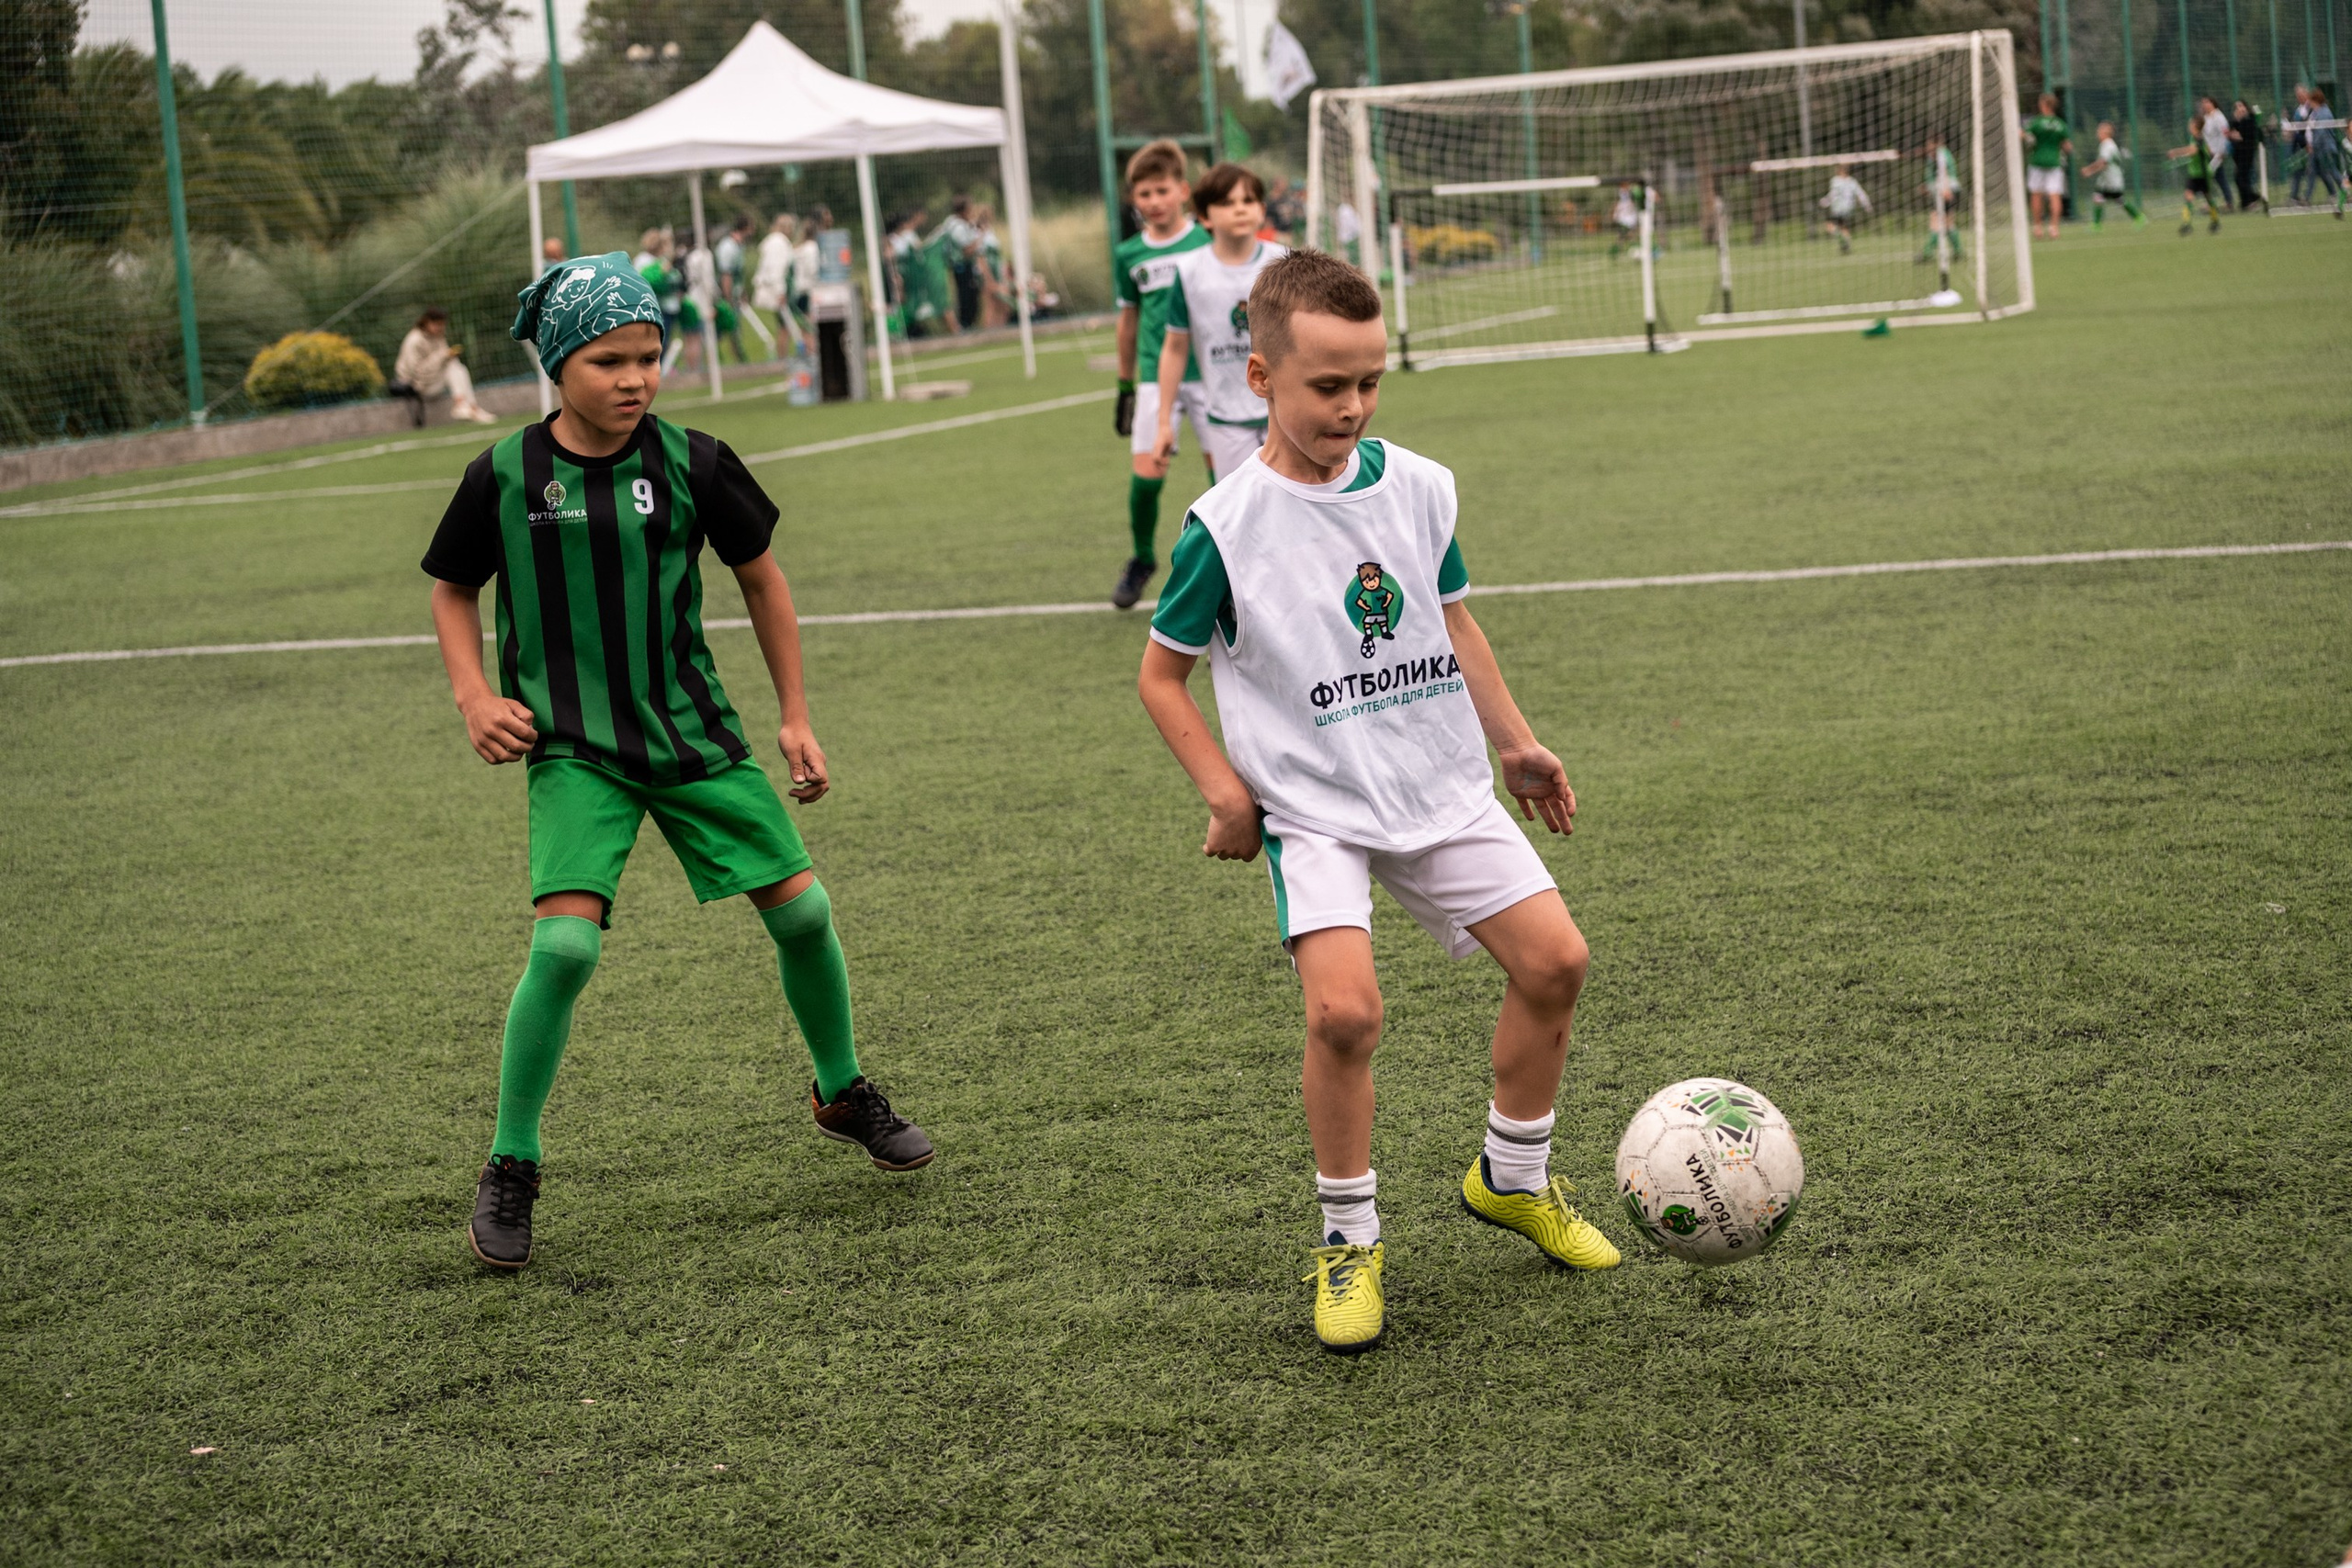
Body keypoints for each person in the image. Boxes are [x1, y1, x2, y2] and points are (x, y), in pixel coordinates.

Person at [1136, 248, 1613, 1355]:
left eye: (1369, 382)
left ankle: (1514, 1176)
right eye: (1326, 386)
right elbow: (1161, 675)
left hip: (1435, 777)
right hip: (1313, 805)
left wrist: (1519, 745)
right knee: (1345, 1013)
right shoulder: (1225, 526)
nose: (1350, 408)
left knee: (1557, 963)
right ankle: (1349, 1241)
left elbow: (1450, 621)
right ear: (1259, 379)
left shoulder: (1421, 486)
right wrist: (1223, 792)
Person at [421, 253, 934, 1272]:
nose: (634, 378)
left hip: (692, 734)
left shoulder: (697, 461)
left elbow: (764, 584)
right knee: (563, 951)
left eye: (649, 357)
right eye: (609, 359)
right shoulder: (506, 473)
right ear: (558, 364)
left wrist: (794, 716)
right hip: (574, 747)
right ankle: (510, 1163)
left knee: (804, 912)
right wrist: (475, 697)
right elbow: (450, 587)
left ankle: (841, 1090)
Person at [1108, 139, 1213, 612]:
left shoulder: (1207, 242)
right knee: (1147, 473)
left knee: (1227, 477)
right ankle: (1143, 558)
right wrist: (1125, 385)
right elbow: (1128, 322)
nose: (1153, 201)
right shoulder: (1129, 254)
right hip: (1156, 375)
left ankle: (1232, 566)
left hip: (1212, 374)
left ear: (1183, 191)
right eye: (1144, 194)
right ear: (1134, 199)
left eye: (1162, 190)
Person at [1154, 164, 1287, 486]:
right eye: (1227, 202)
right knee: (1239, 515)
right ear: (1205, 217)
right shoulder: (1189, 272)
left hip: (1285, 412)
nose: (1240, 208)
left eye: (1248, 200)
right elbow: (1174, 348)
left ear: (1261, 210)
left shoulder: (1285, 262)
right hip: (1226, 421)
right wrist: (1163, 422)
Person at [392, 308, 496, 425]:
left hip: (433, 381)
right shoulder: (414, 340)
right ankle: (464, 406)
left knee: (457, 366)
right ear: (426, 322)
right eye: (436, 324)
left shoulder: (438, 336)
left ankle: (469, 407)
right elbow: (416, 372)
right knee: (452, 365)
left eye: (442, 325)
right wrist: (443, 356)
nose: (440, 328)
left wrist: (447, 356)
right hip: (417, 386)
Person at [2021, 94, 2072, 238]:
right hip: (2054, 163)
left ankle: (2038, 227)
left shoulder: (2036, 122)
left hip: (2037, 161)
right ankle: (2054, 228)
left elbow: (2025, 135)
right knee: (2054, 195)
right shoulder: (2060, 124)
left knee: (2036, 194)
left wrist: (2025, 137)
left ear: (2043, 105)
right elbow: (2067, 146)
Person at [2079, 122, 2142, 227]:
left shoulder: (2107, 144)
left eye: (2099, 131)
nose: (2097, 133)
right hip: (2106, 178)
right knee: (2098, 196)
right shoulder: (2107, 144)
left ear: (2106, 133)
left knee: (2119, 199)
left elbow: (2103, 163)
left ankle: (2139, 217)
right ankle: (2096, 225)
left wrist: (2089, 170)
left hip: (2112, 179)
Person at [1917, 131, 1966, 265]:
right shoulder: (1937, 155)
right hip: (1947, 190)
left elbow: (1946, 173)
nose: (1928, 147)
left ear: (1936, 144)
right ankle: (1958, 252)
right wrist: (1928, 187)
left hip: (1947, 191)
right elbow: (1935, 176)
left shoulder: (1941, 154)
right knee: (1948, 224)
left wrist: (1946, 189)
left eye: (1930, 144)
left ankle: (1927, 254)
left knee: (1936, 222)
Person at [2169, 116, 2223, 234]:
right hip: (2194, 174)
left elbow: (2193, 150)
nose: (2189, 126)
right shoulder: (2195, 138)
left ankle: (2215, 222)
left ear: (2195, 126)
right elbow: (2202, 152)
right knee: (2188, 196)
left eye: (2191, 124)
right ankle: (2187, 224)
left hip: (2203, 174)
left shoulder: (2198, 139)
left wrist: (2176, 152)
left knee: (2208, 198)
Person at [2306, 88, 2347, 216]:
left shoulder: (2324, 113)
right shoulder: (2318, 112)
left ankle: (2345, 191)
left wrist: (2313, 144)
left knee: (2332, 171)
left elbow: (2322, 132)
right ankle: (2307, 197)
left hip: (2326, 148)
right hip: (2320, 149)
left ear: (2316, 100)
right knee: (2315, 171)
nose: (2310, 104)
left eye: (2311, 101)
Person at [1821, 162, 1871, 254]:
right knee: (1843, 227)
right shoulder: (1852, 181)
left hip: (1838, 208)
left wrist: (1826, 201)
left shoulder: (1835, 180)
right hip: (1849, 209)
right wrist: (1867, 205)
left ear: (1839, 171)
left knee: (1829, 226)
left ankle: (1840, 238)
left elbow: (1833, 194)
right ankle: (1846, 246)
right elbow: (1860, 193)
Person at [2228, 100, 2267, 211]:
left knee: (2239, 178)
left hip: (2247, 153)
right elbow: (2231, 132)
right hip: (2238, 153)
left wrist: (2237, 135)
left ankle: (2255, 196)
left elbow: (2243, 136)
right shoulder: (2238, 120)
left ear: (2246, 107)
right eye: (2237, 107)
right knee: (2242, 178)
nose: (2239, 109)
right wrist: (2236, 121)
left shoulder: (2250, 119)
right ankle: (2245, 203)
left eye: (2241, 106)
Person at [1609, 181, 1640, 256]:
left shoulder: (1631, 192)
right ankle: (1615, 252)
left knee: (1625, 235)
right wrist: (1615, 213)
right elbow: (1617, 203)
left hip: (1630, 216)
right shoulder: (1620, 193)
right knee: (1624, 235)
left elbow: (1634, 202)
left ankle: (1615, 251)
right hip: (1623, 218)